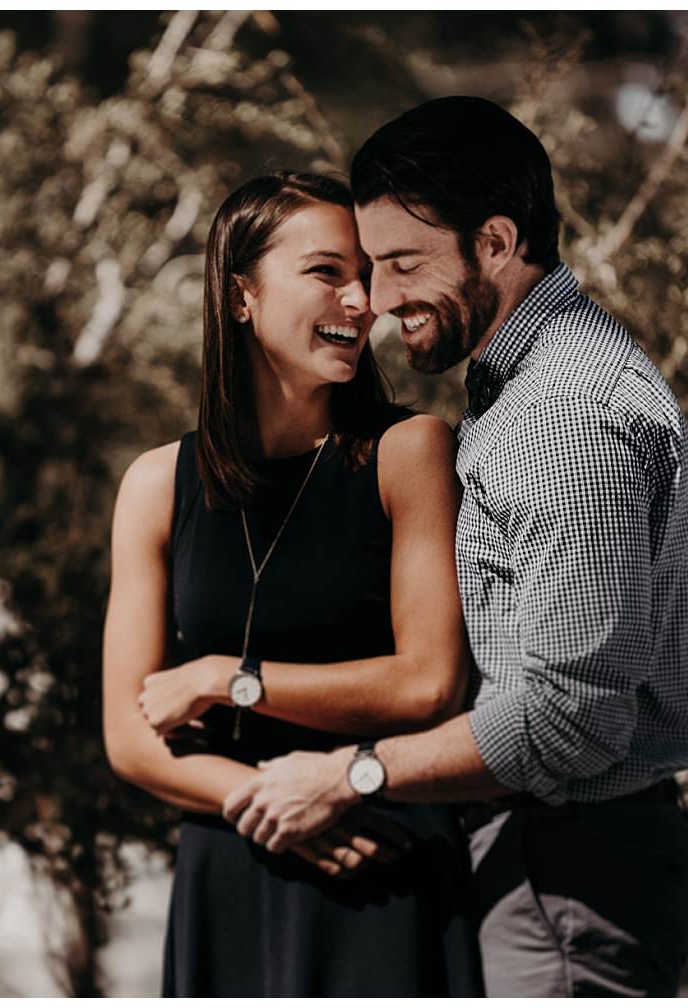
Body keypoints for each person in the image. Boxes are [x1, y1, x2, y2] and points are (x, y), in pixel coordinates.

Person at [222, 97, 688, 997]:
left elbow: (570, 715)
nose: (376, 302)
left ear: (496, 242)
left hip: (566, 875)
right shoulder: (538, 383)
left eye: (403, 263)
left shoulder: (563, 416)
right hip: (558, 866)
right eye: (371, 267)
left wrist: (353, 774)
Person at [101, 171, 482, 996]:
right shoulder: (154, 485)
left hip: (380, 860)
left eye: (367, 275)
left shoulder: (409, 453)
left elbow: (428, 684)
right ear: (241, 295)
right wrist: (269, 803)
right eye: (327, 271)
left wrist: (227, 681)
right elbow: (129, 737)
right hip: (232, 861)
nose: (362, 301)